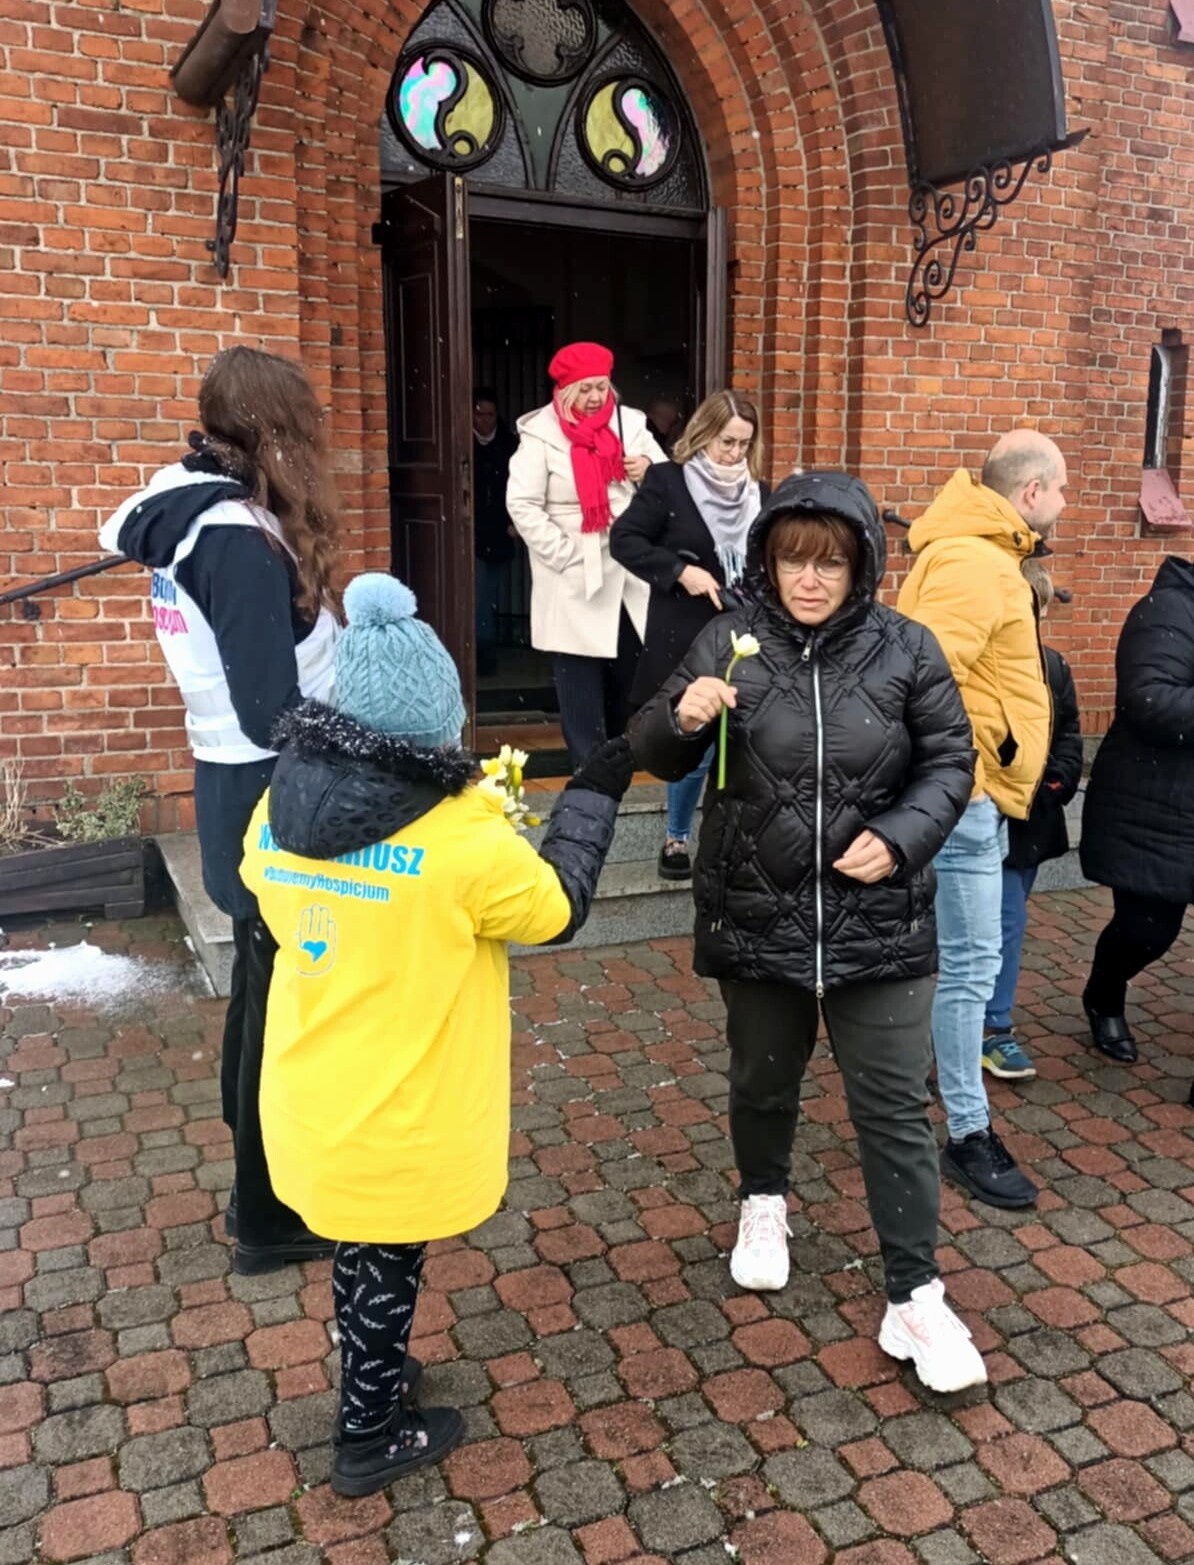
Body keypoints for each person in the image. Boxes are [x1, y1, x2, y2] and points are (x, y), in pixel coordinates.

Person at [239, 573, 636, 1495]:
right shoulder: (463, 838)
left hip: (313, 1089)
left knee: (358, 1245)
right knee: (389, 1255)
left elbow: (260, 882)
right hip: (403, 1110)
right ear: (437, 727)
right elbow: (553, 908)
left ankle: (372, 1369)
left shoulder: (281, 809)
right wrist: (591, 795)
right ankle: (368, 1432)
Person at [632, 472, 985, 1395]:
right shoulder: (729, 639)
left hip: (880, 924)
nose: (811, 579)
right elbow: (655, 747)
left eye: (831, 562)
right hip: (759, 912)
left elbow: (951, 760)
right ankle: (763, 1200)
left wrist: (901, 838)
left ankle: (914, 1292)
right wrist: (681, 714)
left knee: (894, 1108)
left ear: (862, 562)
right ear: (769, 561)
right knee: (761, 1081)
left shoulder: (907, 647)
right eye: (794, 560)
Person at [98, 346, 341, 1275]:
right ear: (273, 429)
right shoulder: (233, 538)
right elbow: (269, 705)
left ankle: (256, 1181)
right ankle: (269, 1215)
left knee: (258, 983)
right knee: (275, 998)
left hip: (231, 775)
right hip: (268, 781)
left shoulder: (193, 511)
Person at [898, 430, 1062, 1209]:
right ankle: (968, 1130)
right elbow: (926, 680)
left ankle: (932, 1089)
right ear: (1031, 492)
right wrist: (974, 771)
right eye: (1060, 490)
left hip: (970, 793)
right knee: (970, 967)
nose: (1063, 503)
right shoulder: (974, 560)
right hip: (965, 799)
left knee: (956, 964)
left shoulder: (980, 553)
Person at [611, 390, 768, 880]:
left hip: (745, 631)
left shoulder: (761, 493)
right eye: (727, 442)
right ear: (704, 434)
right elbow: (624, 541)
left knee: (741, 738)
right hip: (685, 630)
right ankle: (676, 837)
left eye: (744, 444)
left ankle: (731, 841)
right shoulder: (668, 482)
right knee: (694, 733)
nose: (735, 453)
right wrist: (680, 571)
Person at [506, 341, 666, 768]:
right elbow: (522, 504)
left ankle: (617, 764)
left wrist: (648, 470)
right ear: (564, 391)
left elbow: (669, 486)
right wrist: (562, 554)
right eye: (585, 389)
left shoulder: (630, 423)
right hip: (574, 575)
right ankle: (588, 774)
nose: (595, 397)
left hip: (627, 570)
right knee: (579, 687)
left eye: (601, 387)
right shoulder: (540, 433)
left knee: (627, 679)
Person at [1080, 551, 1194, 1075]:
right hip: (1160, 809)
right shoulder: (1169, 608)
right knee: (1147, 930)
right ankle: (1104, 993)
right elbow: (1149, 700)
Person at [983, 557, 1083, 1077]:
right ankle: (942, 1026)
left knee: (1008, 923)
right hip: (974, 814)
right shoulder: (976, 664)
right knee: (959, 930)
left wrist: (1056, 783)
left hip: (1026, 820)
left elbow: (1068, 733)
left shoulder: (1053, 668)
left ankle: (994, 1027)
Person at [472, 388, 520, 677]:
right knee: (479, 595)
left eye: (490, 415)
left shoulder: (510, 445)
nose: (485, 420)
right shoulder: (461, 442)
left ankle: (484, 648)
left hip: (501, 531)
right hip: (472, 531)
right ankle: (482, 652)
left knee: (490, 594)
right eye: (479, 414)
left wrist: (517, 522)